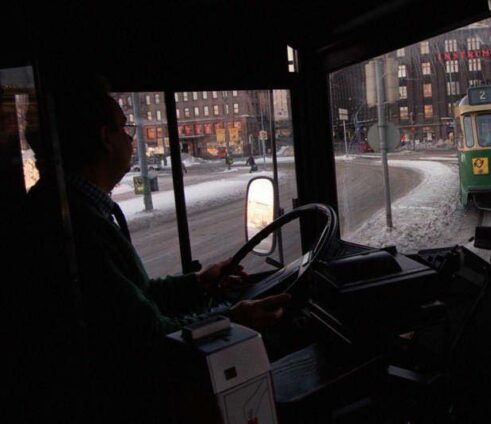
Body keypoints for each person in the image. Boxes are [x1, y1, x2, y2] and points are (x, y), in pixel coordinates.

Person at [19, 78, 289, 422]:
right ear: (105, 137)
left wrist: (199, 283)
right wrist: (234, 320)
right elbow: (150, 336)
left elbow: (138, 297)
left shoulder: (72, 209)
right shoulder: (78, 227)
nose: (131, 138)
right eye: (125, 127)